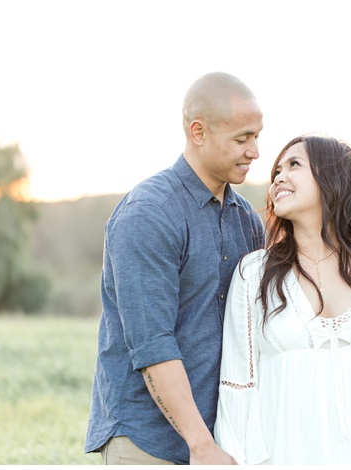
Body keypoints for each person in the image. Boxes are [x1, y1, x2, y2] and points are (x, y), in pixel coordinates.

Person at [213, 135, 351, 465]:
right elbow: (238, 386)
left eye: (294, 165)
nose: (279, 176)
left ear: (332, 176)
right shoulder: (254, 272)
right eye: (277, 170)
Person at [84, 72, 265, 465]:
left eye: (257, 137)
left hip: (224, 438)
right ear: (198, 131)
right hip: (148, 441)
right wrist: (201, 445)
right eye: (242, 138)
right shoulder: (149, 213)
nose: (254, 151)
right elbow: (153, 344)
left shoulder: (247, 221)